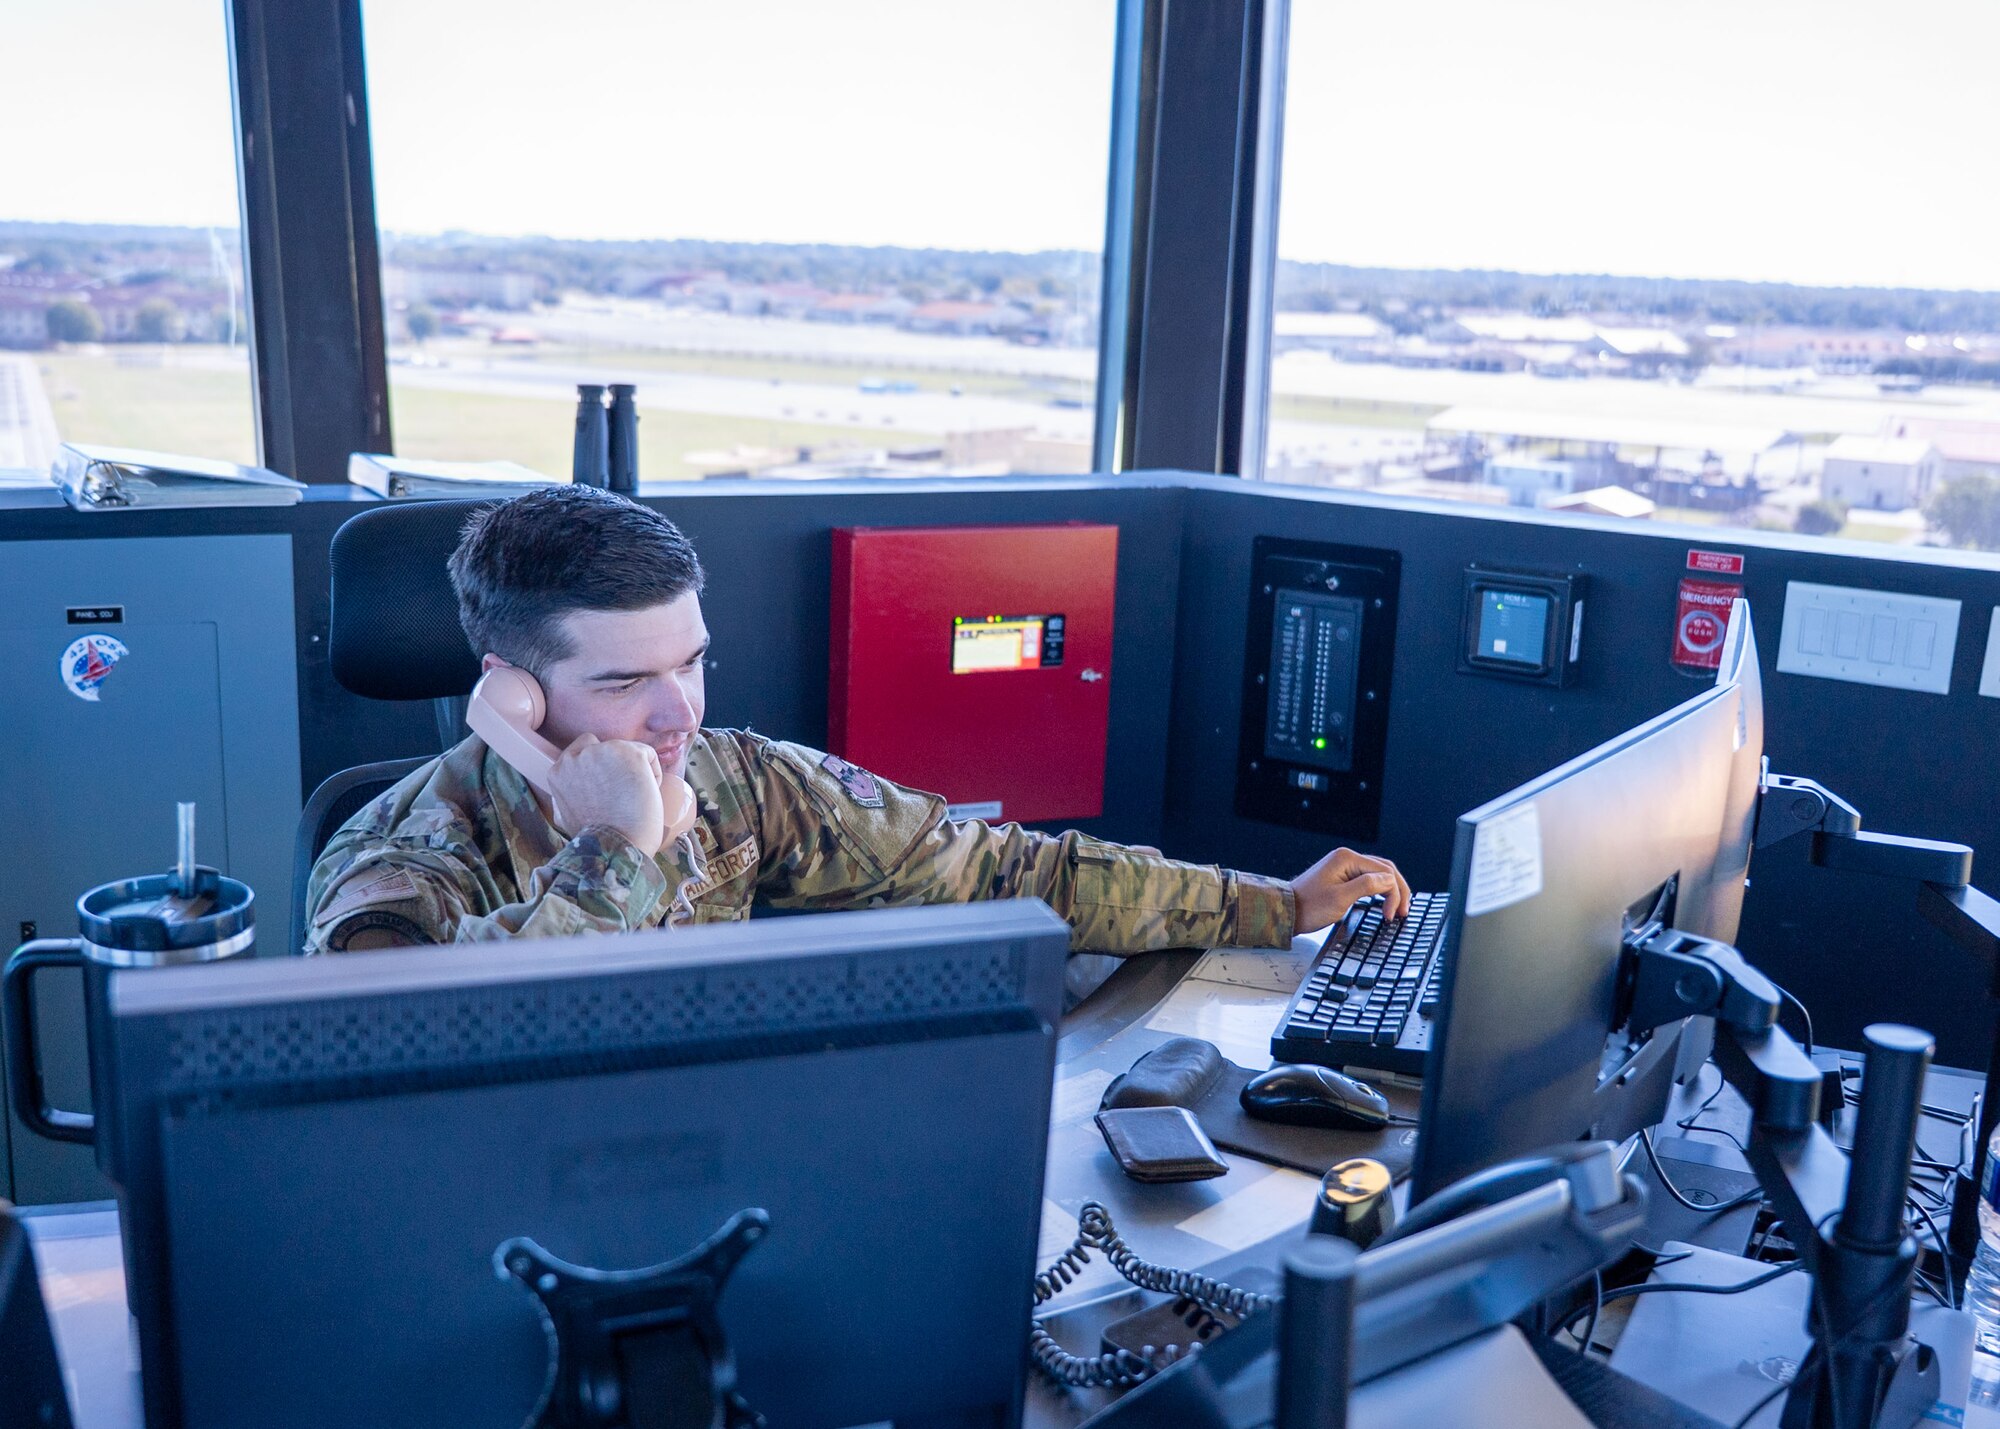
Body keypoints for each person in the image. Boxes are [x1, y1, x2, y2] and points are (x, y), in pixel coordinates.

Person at [304, 488, 1409, 975]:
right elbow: (423, 1065)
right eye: (627, 680)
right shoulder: (395, 866)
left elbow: (991, 870)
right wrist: (617, 855)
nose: (680, 710)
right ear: (514, 696)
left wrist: (1275, 905)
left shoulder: (738, 784)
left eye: (691, 660)